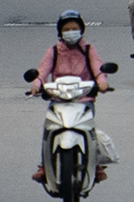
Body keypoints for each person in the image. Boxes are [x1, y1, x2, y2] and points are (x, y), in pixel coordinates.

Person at [26, 11, 113, 185]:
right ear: (60, 32)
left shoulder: (89, 50)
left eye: (75, 28)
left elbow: (98, 69)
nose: (71, 31)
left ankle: (96, 166)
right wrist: (36, 85)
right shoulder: (54, 51)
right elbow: (42, 71)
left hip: (84, 99)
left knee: (90, 130)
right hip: (58, 99)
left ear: (81, 30)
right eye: (67, 28)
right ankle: (44, 166)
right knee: (48, 130)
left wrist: (102, 83)